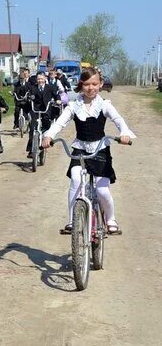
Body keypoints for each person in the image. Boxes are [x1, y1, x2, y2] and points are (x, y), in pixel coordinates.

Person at [42, 67, 134, 233]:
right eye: (86, 84)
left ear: (100, 85)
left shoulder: (104, 105)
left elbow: (118, 119)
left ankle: (111, 218)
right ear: (81, 85)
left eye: (94, 84)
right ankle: (72, 221)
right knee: (76, 181)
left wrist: (124, 133)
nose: (90, 88)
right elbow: (59, 123)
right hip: (80, 149)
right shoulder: (74, 105)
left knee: (102, 190)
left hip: (100, 149)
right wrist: (48, 135)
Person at [25, 71, 60, 157]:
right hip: (35, 110)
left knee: (46, 125)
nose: (40, 80)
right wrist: (30, 97)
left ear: (45, 79)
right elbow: (30, 95)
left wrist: (57, 100)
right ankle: (31, 149)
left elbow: (56, 95)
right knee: (33, 128)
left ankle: (44, 140)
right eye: (38, 79)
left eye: (41, 78)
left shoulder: (50, 87)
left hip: (46, 109)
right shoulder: (33, 88)